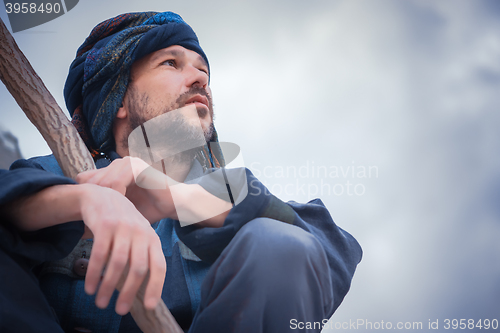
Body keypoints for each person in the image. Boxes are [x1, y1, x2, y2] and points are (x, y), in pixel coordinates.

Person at [0, 11, 362, 333]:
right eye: (171, 63)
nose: (199, 79)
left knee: (281, 244)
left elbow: (329, 252)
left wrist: (173, 196)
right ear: (119, 100)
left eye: (202, 70)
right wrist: (83, 200)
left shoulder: (225, 194)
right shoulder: (50, 174)